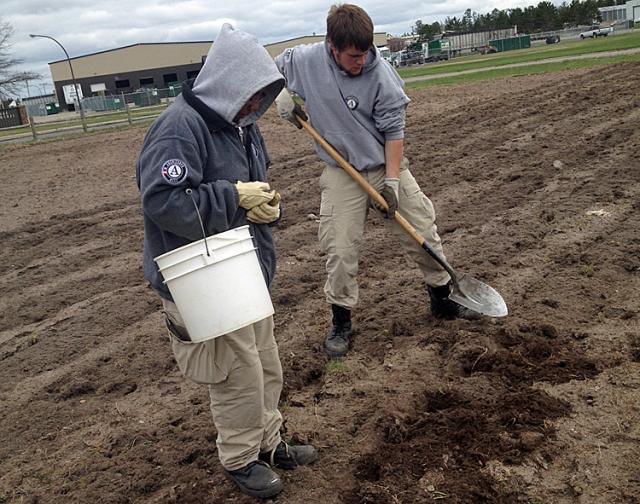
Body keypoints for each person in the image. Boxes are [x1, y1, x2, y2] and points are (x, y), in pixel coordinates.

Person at [136, 24, 316, 500]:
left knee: (266, 363)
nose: (257, 104)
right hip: (202, 276)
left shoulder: (242, 125)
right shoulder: (179, 129)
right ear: (229, 82)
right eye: (252, 93)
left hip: (242, 268)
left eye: (264, 95)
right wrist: (233, 198)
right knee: (237, 373)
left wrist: (267, 208)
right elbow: (164, 202)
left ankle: (270, 442)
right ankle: (240, 457)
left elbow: (254, 188)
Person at [274, 4, 480, 359]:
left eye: (365, 53)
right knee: (340, 249)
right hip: (341, 171)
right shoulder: (305, 60)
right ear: (332, 47)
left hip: (384, 163)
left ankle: (443, 299)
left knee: (422, 230)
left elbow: (394, 134)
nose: (361, 61)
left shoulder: (382, 75)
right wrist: (281, 96)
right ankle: (341, 322)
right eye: (353, 56)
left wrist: (393, 182)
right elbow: (267, 70)